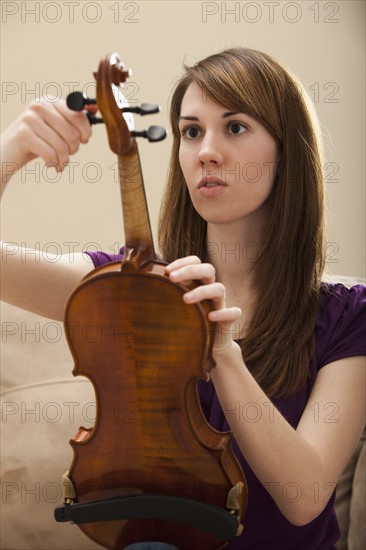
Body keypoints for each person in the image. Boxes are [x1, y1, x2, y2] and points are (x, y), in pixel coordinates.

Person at [1, 47, 365, 549]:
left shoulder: (349, 315)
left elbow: (303, 499)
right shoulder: (130, 285)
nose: (205, 152)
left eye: (234, 127)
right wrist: (10, 152)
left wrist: (221, 353)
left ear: (287, 150)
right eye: (191, 131)